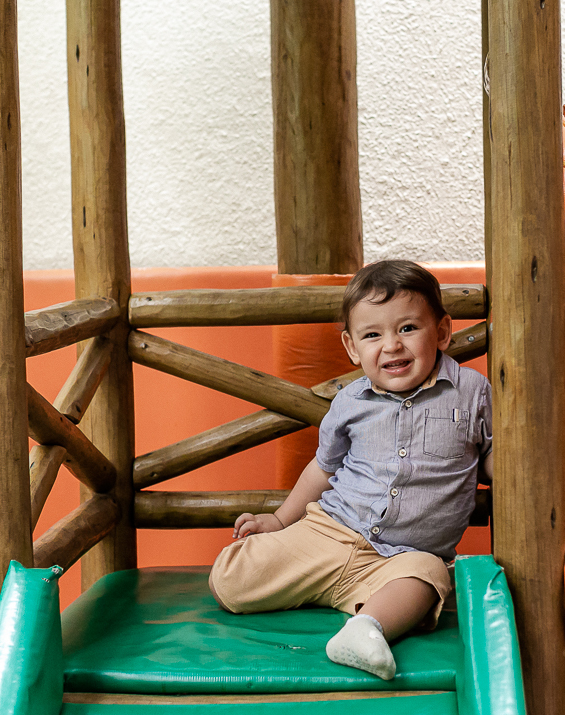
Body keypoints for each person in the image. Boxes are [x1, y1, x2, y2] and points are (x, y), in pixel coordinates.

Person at [208, 260, 493, 680]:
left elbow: (492, 456)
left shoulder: (471, 392)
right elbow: (322, 471)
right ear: (352, 347)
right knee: (228, 578)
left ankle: (364, 628)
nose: (392, 346)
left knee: (430, 578)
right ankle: (322, 585)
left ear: (443, 332)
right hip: (330, 531)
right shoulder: (350, 402)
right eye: (373, 335)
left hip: (403, 557)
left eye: (408, 329)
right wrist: (280, 520)